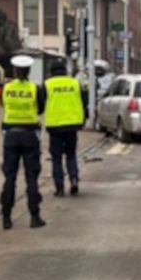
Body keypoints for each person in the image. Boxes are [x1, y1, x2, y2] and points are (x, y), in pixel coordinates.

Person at [0, 55, 46, 230]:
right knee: (31, 177)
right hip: (29, 135)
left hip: (11, 135)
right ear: (28, 71)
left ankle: (6, 217)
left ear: (14, 70)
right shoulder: (35, 88)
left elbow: (4, 105)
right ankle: (35, 217)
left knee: (10, 177)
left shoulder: (7, 88)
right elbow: (41, 108)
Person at [44, 60, 87, 197]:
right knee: (71, 154)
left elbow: (40, 104)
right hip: (72, 125)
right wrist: (83, 119)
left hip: (55, 126)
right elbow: (84, 101)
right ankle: (74, 179)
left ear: (51, 71)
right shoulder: (74, 83)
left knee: (56, 157)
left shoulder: (47, 84)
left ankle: (59, 187)